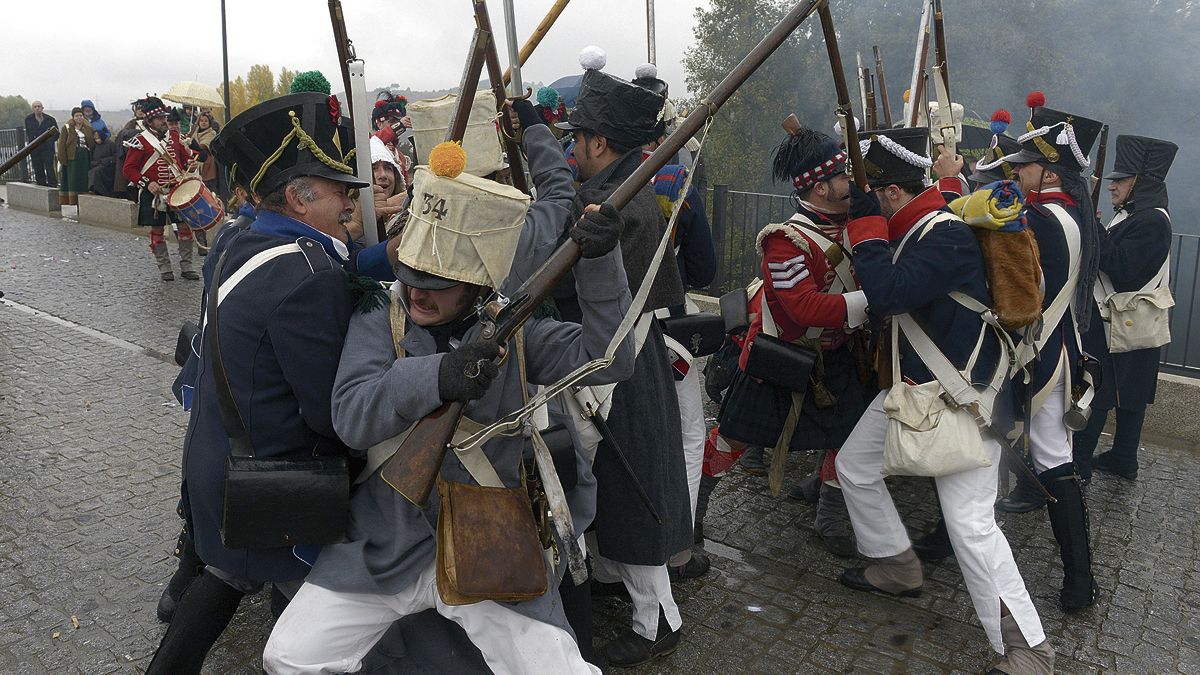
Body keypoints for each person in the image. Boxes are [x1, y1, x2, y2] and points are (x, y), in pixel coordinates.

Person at [262, 128, 630, 673]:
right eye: (412, 278)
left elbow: (610, 359)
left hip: (491, 542)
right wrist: (440, 374)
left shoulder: (517, 327)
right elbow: (351, 415)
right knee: (289, 656)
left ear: (478, 284)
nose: (416, 293)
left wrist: (601, 261)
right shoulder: (377, 316)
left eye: (436, 282)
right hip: (387, 541)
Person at [145, 91, 372, 674]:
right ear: (299, 196)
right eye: (338, 189)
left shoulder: (238, 238)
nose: (350, 202)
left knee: (226, 576)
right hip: (274, 476)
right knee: (304, 601)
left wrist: (381, 258)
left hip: (218, 460)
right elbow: (330, 413)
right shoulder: (309, 273)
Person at [835, 126, 1054, 673]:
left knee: (971, 524)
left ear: (890, 195)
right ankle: (894, 566)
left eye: (870, 198)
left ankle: (1029, 648)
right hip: (916, 393)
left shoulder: (945, 234)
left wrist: (864, 232)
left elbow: (889, 292)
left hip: (960, 398)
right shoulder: (921, 229)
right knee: (854, 467)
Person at [555, 62, 693, 667]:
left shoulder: (610, 204)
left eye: (577, 139)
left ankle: (656, 618)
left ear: (600, 143)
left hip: (621, 361)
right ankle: (617, 573)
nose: (572, 149)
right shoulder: (623, 187)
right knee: (616, 481)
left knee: (633, 487)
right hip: (626, 353)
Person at [709, 120, 875, 558]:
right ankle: (692, 513)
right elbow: (803, 309)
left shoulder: (859, 225)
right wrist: (873, 299)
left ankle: (832, 517)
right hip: (782, 361)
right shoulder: (785, 241)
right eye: (842, 175)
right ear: (819, 187)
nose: (851, 181)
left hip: (838, 358)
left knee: (849, 442)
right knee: (730, 442)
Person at [992, 94, 1103, 612]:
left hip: (1038, 352)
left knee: (1043, 458)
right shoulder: (1070, 214)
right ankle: (1078, 581)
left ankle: (1080, 580)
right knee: (1047, 458)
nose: (1016, 174)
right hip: (1059, 350)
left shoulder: (1042, 219)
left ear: (1046, 170)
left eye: (1023, 166)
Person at [1073, 134, 1178, 480]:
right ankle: (1123, 459)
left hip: (1121, 319)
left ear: (1140, 183)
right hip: (1123, 319)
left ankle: (1081, 467)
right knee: (1128, 394)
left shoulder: (1152, 221)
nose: (1112, 185)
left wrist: (1093, 226)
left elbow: (1124, 270)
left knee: (1101, 394)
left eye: (1121, 179)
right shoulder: (1134, 215)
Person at [121, 97, 198, 281]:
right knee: (157, 231)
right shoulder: (140, 141)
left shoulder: (174, 136)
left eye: (164, 117)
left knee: (184, 228)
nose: (164, 121)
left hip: (176, 189)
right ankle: (165, 268)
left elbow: (184, 158)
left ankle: (187, 266)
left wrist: (190, 164)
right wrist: (147, 183)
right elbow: (128, 169)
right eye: (159, 118)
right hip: (154, 193)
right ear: (149, 121)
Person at [56, 107, 96, 206]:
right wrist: (62, 159)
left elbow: (91, 142)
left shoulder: (87, 127)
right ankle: (73, 200)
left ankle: (84, 200)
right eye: (77, 116)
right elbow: (62, 144)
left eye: (81, 116)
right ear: (73, 117)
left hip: (85, 156)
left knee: (84, 178)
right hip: (72, 157)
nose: (79, 118)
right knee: (73, 178)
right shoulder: (67, 128)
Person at [24, 101, 57, 187]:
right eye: (35, 107)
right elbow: (29, 133)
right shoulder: (28, 120)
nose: (37, 108)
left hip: (47, 149)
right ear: (33, 109)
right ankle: (41, 185)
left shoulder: (50, 119)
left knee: (49, 168)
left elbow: (57, 134)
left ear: (42, 108)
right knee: (38, 169)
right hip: (35, 148)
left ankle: (53, 185)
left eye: (39, 106)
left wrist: (50, 140)